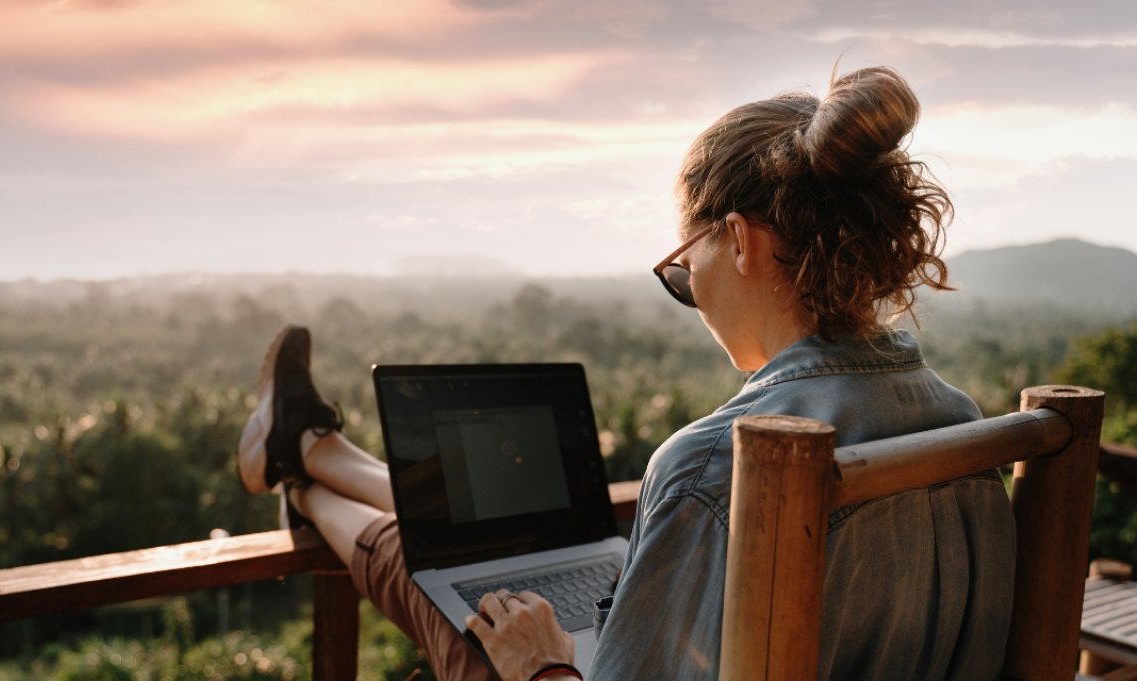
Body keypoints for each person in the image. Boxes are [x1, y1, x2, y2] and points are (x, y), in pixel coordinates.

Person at [234, 65, 1014, 681]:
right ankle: (310, 453)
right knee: (481, 553)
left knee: (443, 582)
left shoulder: (717, 467)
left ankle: (301, 474)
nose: (690, 291)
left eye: (684, 268)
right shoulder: (962, 424)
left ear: (738, 241)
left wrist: (541, 662)